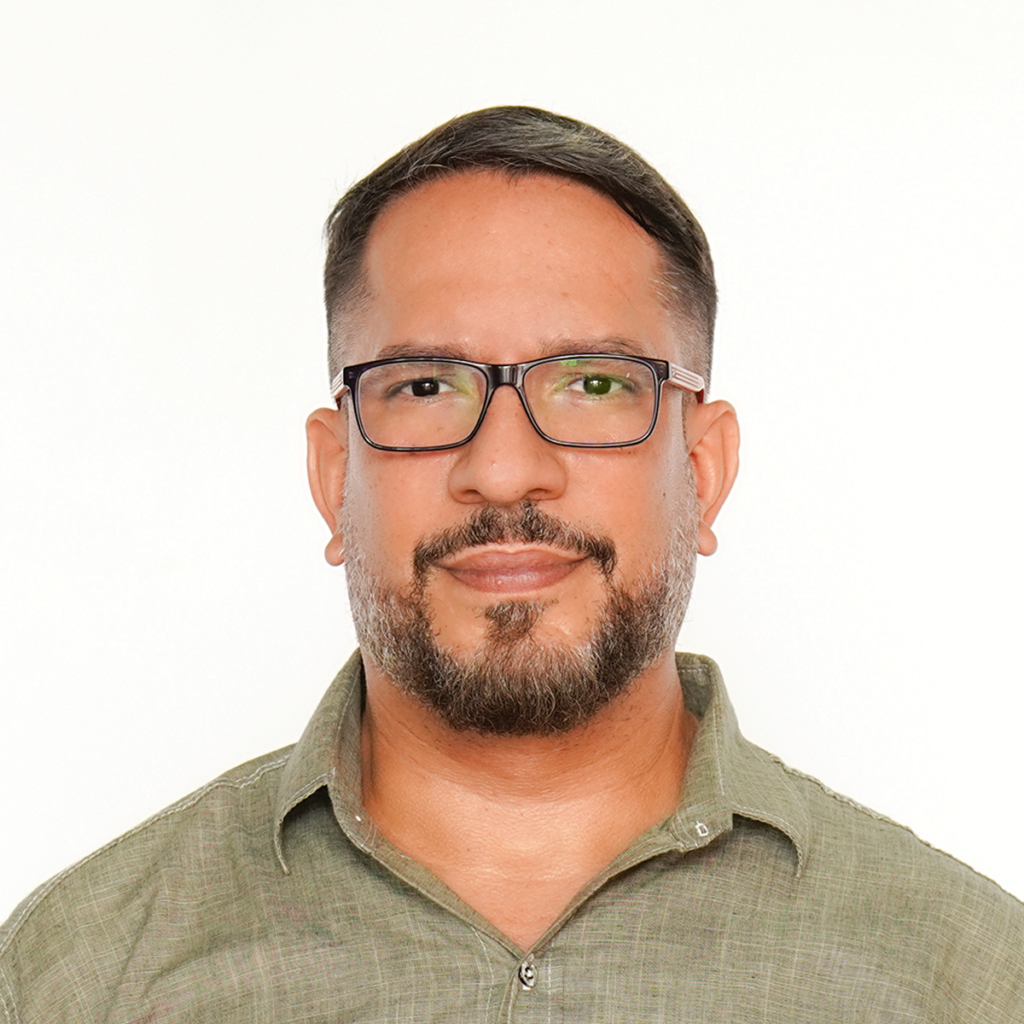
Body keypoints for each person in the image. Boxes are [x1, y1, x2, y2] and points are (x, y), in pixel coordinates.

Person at [1, 106, 1021, 1021]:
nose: (502, 469)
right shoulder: (75, 981)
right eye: (423, 387)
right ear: (333, 477)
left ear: (702, 470)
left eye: (593, 383)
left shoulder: (966, 981)